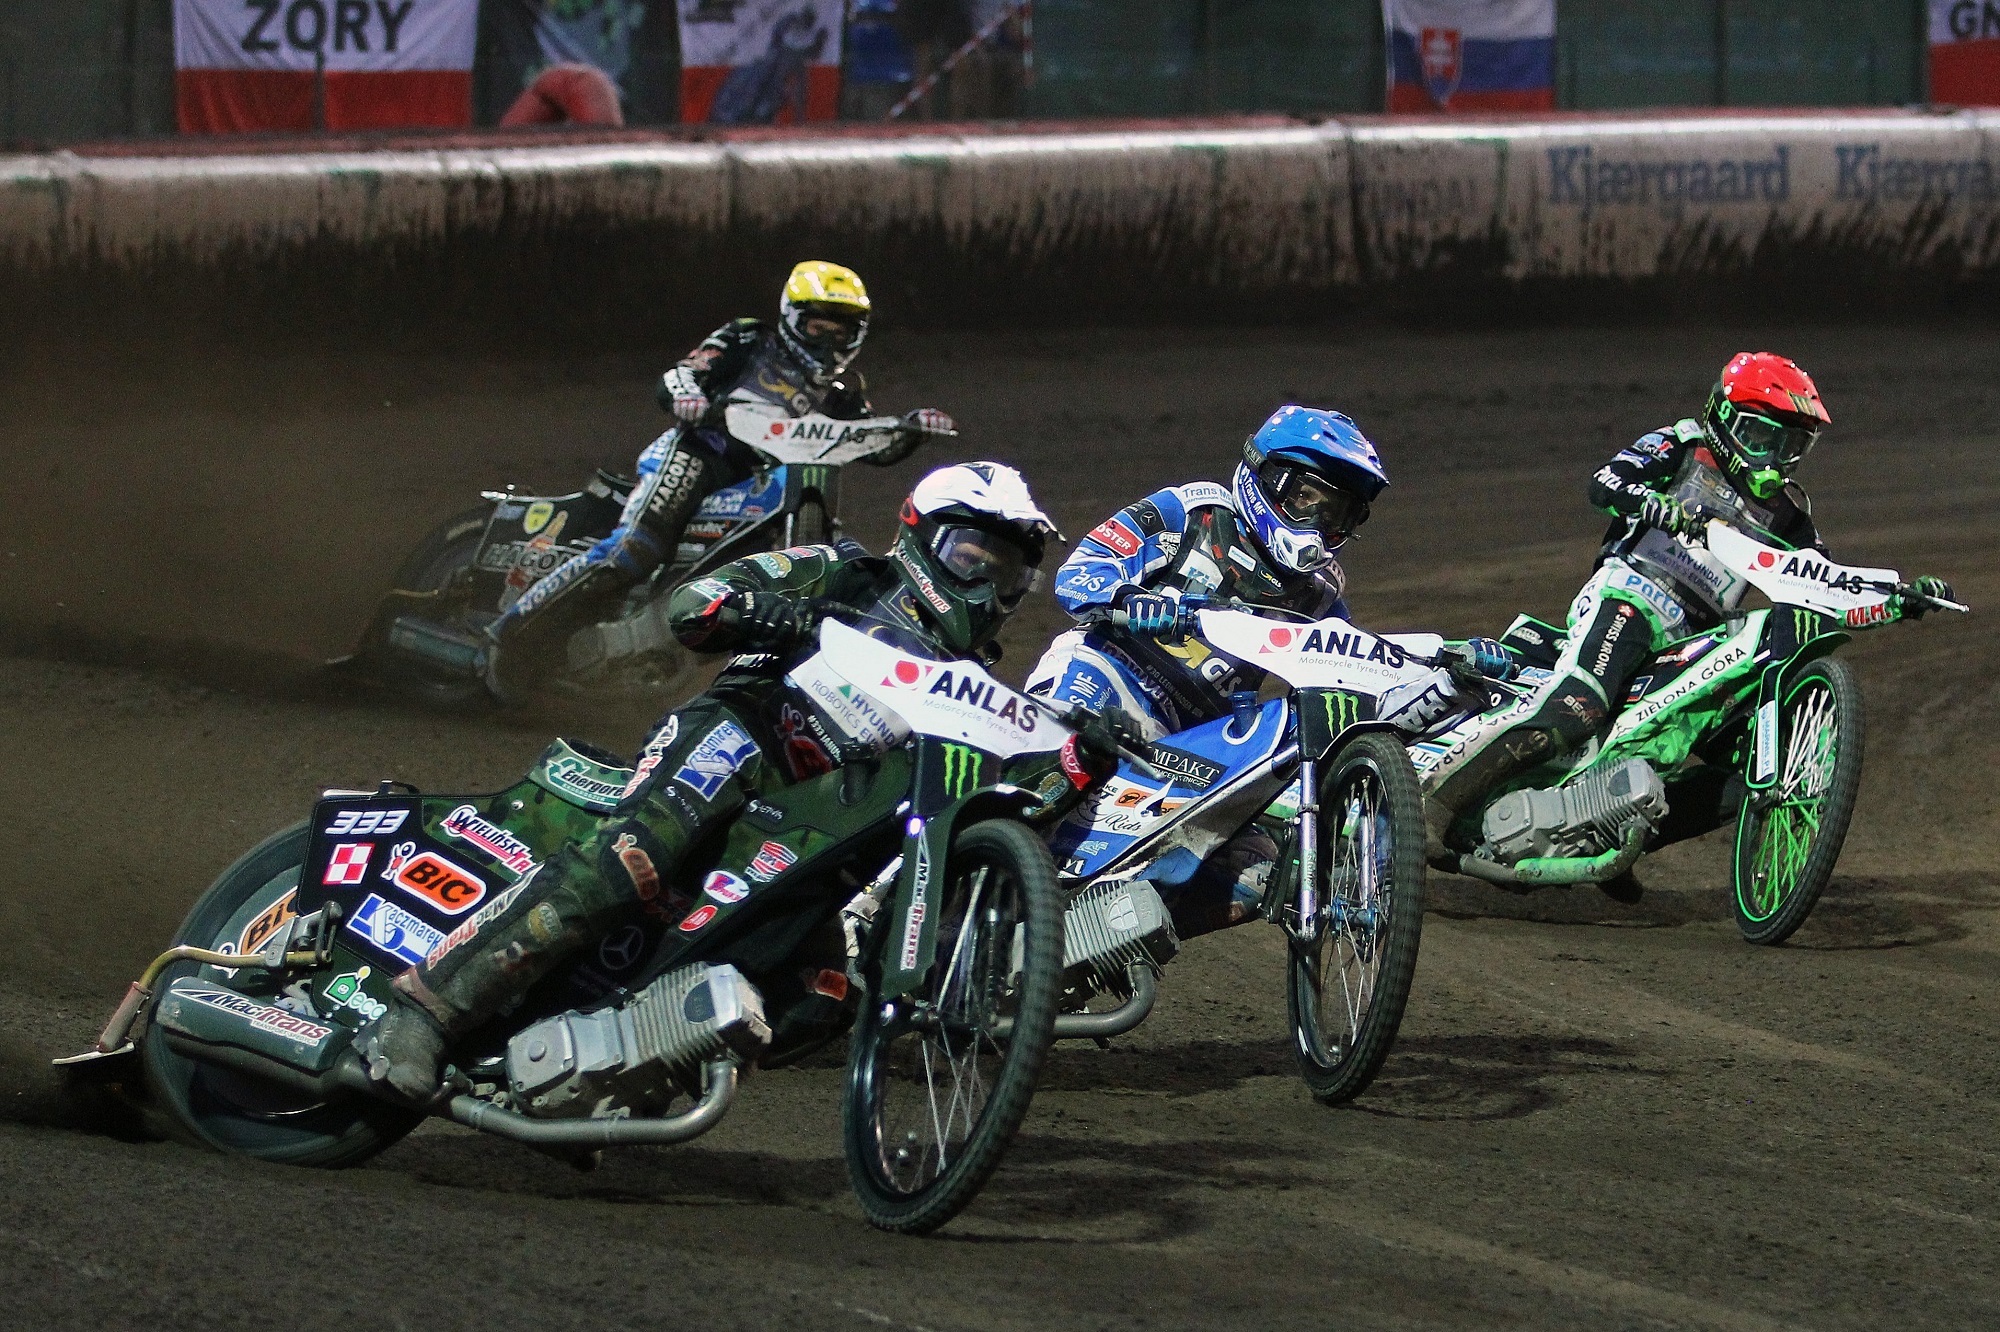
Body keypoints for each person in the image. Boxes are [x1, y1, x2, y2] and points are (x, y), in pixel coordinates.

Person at [364, 462, 1098, 1101]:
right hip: (738, 737)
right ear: (919, 537)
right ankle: (423, 1013)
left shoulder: (975, 685)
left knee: (821, 995)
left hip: (809, 823)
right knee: (628, 861)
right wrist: (754, 608)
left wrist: (1080, 756)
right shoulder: (845, 571)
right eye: (972, 556)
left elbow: (1006, 795)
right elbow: (695, 604)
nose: (987, 584)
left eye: (1009, 573)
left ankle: (617, 1072)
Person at [1421, 352, 1956, 857]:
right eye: (1763, 438)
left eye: (1791, 445)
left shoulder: (1790, 516)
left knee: (1746, 771)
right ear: (1726, 419)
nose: (1774, 458)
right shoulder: (1682, 446)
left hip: (1697, 645)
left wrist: (1901, 597)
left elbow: (1822, 583)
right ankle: (1436, 804)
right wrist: (1653, 503)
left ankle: (1611, 838)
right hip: (1630, 597)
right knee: (1580, 704)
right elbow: (1605, 481)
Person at [482, 259, 957, 698]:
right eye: (818, 326)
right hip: (698, 455)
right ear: (793, 318)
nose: (829, 339)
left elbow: (868, 442)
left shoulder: (843, 392)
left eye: (842, 330)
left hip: (765, 486)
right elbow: (683, 373)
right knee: (635, 548)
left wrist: (911, 430)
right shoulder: (750, 339)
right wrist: (688, 397)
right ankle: (511, 633)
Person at [1023, 405, 1398, 937]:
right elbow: (1080, 571)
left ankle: (1099, 940)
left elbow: (1349, 664)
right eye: (1307, 499)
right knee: (1046, 772)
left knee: (1261, 873)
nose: (1317, 524)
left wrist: (1442, 665)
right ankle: (932, 884)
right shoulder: (1191, 510)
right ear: (1267, 478)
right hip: (1109, 675)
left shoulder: (1320, 591)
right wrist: (1130, 598)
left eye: (1337, 514)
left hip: (1201, 741)